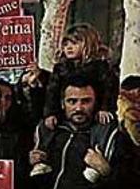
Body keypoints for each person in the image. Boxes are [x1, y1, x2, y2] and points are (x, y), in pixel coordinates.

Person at [32, 25, 119, 176]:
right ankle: (42, 160)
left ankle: (95, 165)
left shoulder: (101, 68)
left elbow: (109, 89)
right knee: (46, 128)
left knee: (103, 129)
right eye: (66, 44)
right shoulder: (61, 68)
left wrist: (105, 108)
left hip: (94, 115)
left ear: (87, 44)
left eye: (74, 43)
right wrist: (50, 112)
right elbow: (52, 91)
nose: (69, 48)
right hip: (63, 114)